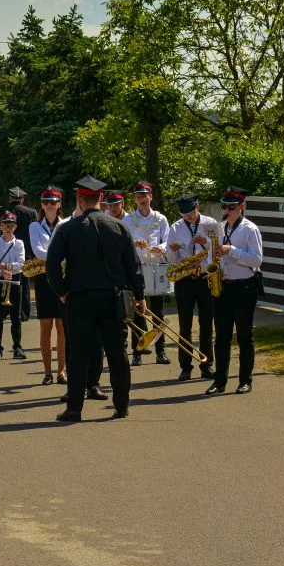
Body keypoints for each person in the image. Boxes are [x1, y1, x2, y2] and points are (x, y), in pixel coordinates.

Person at [46, 176, 143, 422]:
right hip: (113, 298)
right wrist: (139, 296)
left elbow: (51, 265)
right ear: (101, 199)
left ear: (80, 199)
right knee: (117, 353)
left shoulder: (67, 228)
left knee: (78, 353)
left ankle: (74, 409)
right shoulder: (119, 227)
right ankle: (122, 406)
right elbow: (133, 265)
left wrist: (62, 291)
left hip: (79, 299)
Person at [207, 186, 263, 396]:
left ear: (242, 207)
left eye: (231, 207)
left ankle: (245, 381)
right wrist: (213, 270)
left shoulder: (250, 229)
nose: (227, 210)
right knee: (221, 336)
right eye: (224, 206)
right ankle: (219, 381)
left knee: (244, 336)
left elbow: (257, 260)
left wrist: (233, 251)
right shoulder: (220, 228)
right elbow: (212, 255)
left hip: (244, 287)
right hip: (224, 286)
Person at [166, 193, 218, 381]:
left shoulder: (210, 223)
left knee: (206, 324)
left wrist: (207, 243)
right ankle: (185, 367)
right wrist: (173, 250)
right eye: (184, 214)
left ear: (198, 207)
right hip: (185, 279)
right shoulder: (175, 227)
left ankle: (207, 365)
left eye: (190, 213)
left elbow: (219, 248)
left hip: (205, 277)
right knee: (185, 325)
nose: (188, 217)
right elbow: (170, 259)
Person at [121, 181, 170, 366]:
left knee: (158, 312)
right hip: (137, 268)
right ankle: (138, 351)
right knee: (136, 312)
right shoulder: (127, 220)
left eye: (145, 196)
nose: (142, 199)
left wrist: (161, 248)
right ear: (134, 199)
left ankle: (161, 351)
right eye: (138, 196)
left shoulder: (160, 218)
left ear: (151, 197)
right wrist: (135, 243)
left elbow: (167, 240)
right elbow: (124, 243)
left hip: (156, 266)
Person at [28, 186, 67, 385]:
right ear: (42, 205)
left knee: (62, 326)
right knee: (45, 326)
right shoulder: (34, 227)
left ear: (59, 204)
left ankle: (61, 371)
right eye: (46, 202)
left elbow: (61, 252)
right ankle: (47, 372)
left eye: (53, 202)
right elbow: (38, 252)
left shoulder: (67, 224)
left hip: (62, 278)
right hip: (44, 279)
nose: (50, 205)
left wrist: (53, 254)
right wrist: (58, 254)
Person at [0, 187, 37, 322]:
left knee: (4, 281)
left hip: (4, 252)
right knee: (24, 285)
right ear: (22, 199)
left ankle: (4, 311)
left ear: (10, 198)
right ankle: (22, 313)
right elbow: (33, 235)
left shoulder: (1, 211)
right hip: (25, 252)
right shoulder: (31, 212)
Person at [0, 212, 26, 361]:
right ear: (0, 227)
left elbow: (21, 264)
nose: (8, 228)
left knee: (16, 316)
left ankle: (17, 347)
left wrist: (5, 266)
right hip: (0, 281)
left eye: (11, 225)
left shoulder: (20, 244)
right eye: (5, 225)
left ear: (15, 227)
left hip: (15, 280)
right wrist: (2, 272)